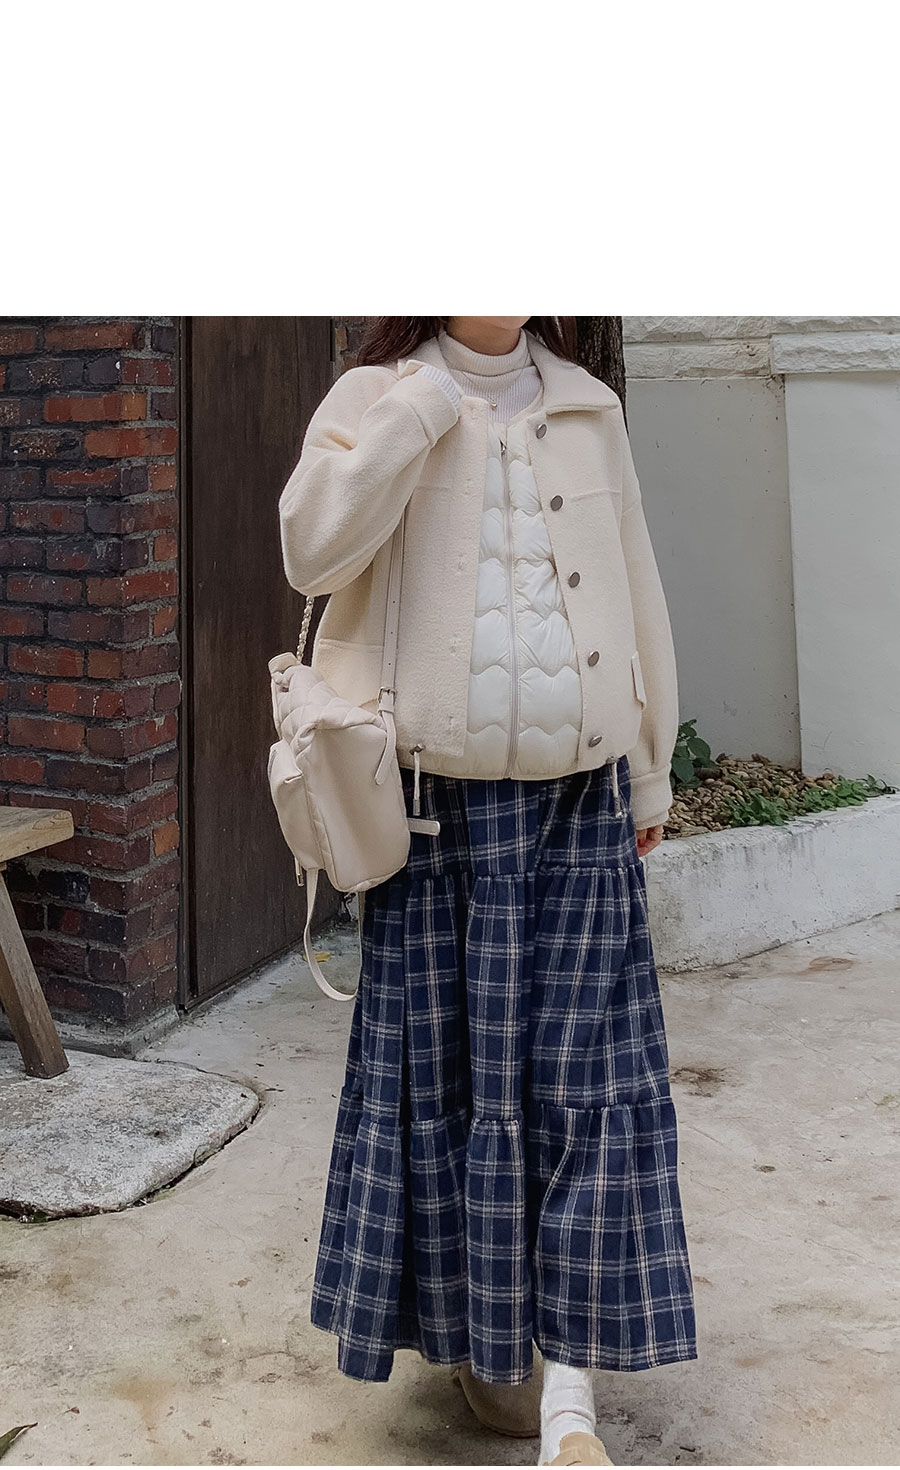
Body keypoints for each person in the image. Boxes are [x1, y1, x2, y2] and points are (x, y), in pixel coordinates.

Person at [278, 316, 697, 1466]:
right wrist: (415, 411)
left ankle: (569, 1400)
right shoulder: (375, 395)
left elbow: (639, 592)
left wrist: (650, 768)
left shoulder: (587, 408)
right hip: (437, 817)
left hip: (580, 803)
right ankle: (488, 1344)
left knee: (586, 1087)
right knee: (453, 1089)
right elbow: (311, 554)